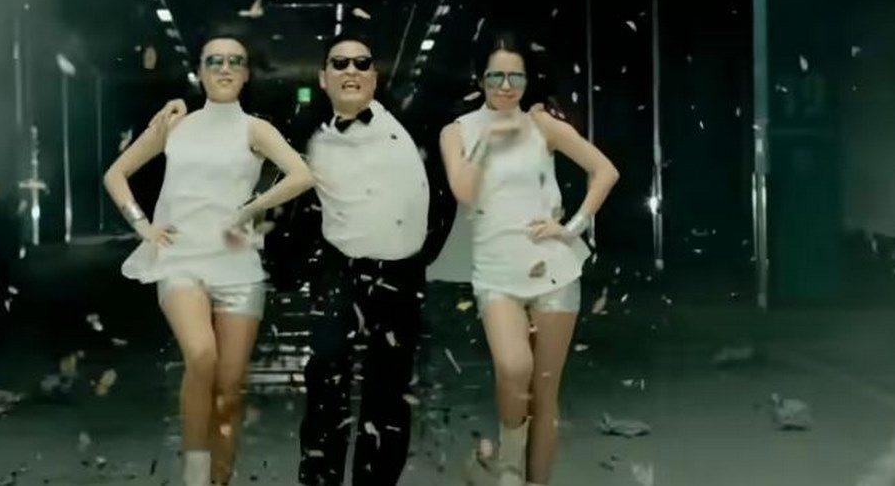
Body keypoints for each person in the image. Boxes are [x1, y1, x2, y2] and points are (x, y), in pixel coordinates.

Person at [154, 31, 450, 486]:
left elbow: (445, 190)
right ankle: (320, 478)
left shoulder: (414, 125)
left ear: (375, 76)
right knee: (326, 377)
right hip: (338, 268)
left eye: (361, 63)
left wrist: (422, 253)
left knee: (389, 388)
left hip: (400, 272)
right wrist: (184, 103)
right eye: (340, 63)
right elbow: (235, 123)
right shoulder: (305, 133)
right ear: (323, 78)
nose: (351, 71)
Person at [103, 32, 314, 486]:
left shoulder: (255, 129)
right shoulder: (175, 123)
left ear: (246, 73)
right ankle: (195, 476)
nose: (224, 68)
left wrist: (252, 207)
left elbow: (302, 174)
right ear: (199, 70)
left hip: (238, 265)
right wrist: (142, 226)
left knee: (229, 389)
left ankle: (221, 479)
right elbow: (116, 174)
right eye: (214, 60)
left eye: (234, 61)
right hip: (180, 260)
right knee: (201, 355)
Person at [439, 34, 619, 486]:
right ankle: (507, 464)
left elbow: (605, 171)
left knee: (544, 393)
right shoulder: (457, 131)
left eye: (515, 76)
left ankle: (530, 480)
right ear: (480, 79)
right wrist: (491, 138)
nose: (506, 85)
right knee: (513, 367)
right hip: (496, 274)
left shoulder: (542, 124)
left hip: (554, 269)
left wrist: (572, 227)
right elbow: (464, 191)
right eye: (496, 76)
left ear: (526, 79)